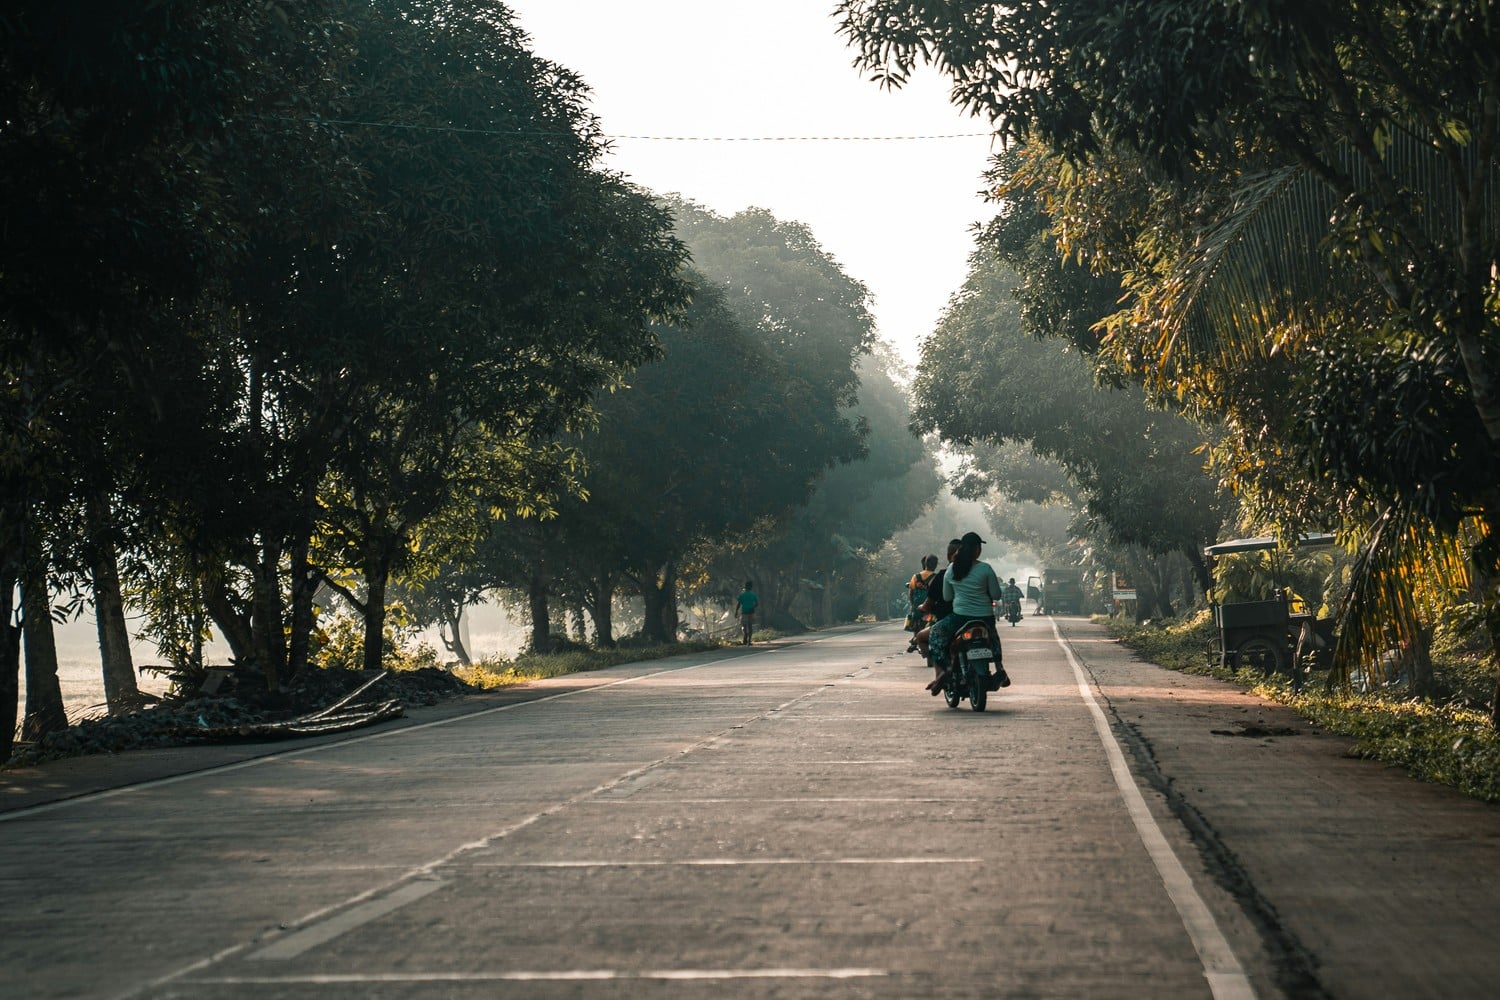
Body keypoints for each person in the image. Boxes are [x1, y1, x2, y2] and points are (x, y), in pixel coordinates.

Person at [926, 531, 1010, 694]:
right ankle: (999, 668)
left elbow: (947, 596)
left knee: (935, 633)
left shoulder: (952, 569)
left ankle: (946, 668)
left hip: (959, 618)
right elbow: (996, 595)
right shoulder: (985, 569)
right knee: (993, 638)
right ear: (977, 549)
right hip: (985, 617)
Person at [914, 539, 960, 670]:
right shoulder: (978, 571)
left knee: (922, 637)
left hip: (952, 620)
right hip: (979, 618)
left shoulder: (944, 575)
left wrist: (920, 607)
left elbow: (944, 597)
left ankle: (941, 674)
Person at [904, 555, 939, 652]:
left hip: (918, 608)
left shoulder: (916, 576)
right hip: (932, 608)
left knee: (915, 624)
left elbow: (911, 593)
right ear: (935, 565)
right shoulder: (937, 577)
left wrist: (912, 605)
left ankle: (915, 639)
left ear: (924, 564)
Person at [735, 581, 759, 645]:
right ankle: (749, 641)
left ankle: (745, 635)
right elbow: (757, 604)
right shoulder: (753, 595)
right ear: (751, 587)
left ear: (745, 587)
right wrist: (752, 606)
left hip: (744, 612)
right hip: (751, 611)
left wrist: (736, 612)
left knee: (743, 625)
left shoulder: (742, 595)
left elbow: (738, 604)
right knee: (750, 626)